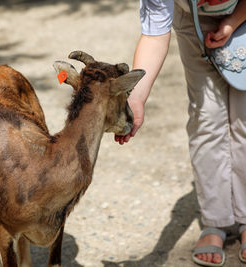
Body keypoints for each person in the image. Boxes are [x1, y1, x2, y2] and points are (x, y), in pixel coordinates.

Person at [114, 0, 246, 266]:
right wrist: (136, 97)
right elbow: (153, 35)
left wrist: (233, 20)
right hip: (192, 22)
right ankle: (215, 220)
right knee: (206, 117)